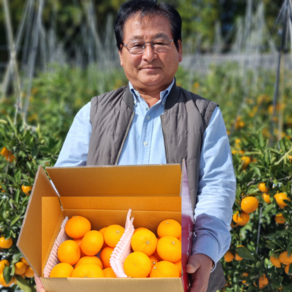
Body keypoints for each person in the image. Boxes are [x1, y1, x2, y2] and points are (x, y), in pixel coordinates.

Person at [35, 1, 235, 291]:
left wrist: (204, 253)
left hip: (179, 268)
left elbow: (217, 188)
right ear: (120, 53)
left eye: (160, 43)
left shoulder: (203, 115)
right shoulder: (93, 113)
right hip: (99, 267)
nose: (149, 55)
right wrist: (45, 257)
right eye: (137, 45)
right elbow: (63, 188)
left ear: (179, 49)